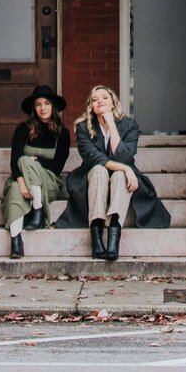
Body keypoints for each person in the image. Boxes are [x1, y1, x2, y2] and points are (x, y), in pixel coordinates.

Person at [56, 85, 171, 260]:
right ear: (91, 107)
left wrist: (111, 123)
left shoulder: (129, 125)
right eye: (95, 100)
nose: (100, 101)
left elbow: (124, 157)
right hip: (93, 177)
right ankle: (96, 236)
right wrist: (125, 168)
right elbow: (94, 158)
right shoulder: (83, 127)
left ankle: (113, 238)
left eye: (104, 97)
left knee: (118, 175)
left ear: (113, 103)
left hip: (120, 179)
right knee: (99, 170)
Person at [2, 85, 71, 259]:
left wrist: (34, 161)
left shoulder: (62, 133)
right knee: (15, 188)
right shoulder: (23, 129)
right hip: (22, 180)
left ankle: (38, 209)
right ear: (34, 108)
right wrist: (21, 183)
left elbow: (57, 166)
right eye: (38, 104)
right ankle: (16, 241)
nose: (43, 108)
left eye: (47, 103)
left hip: (49, 181)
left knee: (26, 160)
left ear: (53, 106)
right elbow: (14, 160)